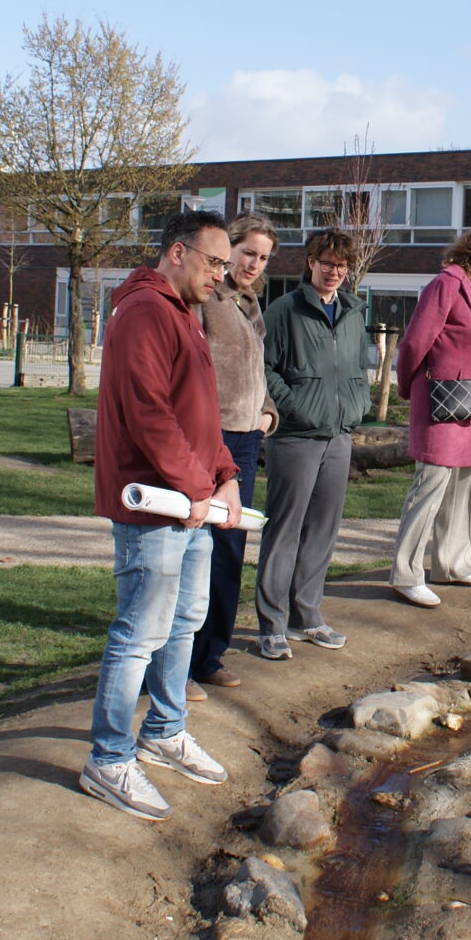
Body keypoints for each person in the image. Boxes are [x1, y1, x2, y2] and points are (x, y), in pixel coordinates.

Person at [79, 210, 242, 821]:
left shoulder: (182, 313)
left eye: (225, 265)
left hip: (191, 502)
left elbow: (200, 412)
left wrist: (224, 475)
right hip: (155, 503)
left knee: (184, 619)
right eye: (214, 262)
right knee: (139, 632)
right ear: (177, 252)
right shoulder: (146, 311)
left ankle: (165, 729)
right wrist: (198, 484)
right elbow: (148, 411)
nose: (221, 275)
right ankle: (109, 758)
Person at [255, 226, 371, 660]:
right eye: (327, 264)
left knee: (322, 531)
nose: (334, 272)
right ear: (311, 263)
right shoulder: (284, 310)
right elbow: (264, 368)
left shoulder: (353, 312)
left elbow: (358, 366)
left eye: (342, 266)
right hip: (295, 438)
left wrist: (358, 404)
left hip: (339, 437)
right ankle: (272, 625)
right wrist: (294, 407)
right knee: (284, 531)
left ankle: (307, 617)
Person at [389, 219, 471, 607]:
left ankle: (453, 563)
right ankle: (406, 574)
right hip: (440, 400)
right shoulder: (445, 285)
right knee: (430, 486)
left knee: (465, 484)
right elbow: (413, 344)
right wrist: (409, 388)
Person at [187, 213, 279, 695]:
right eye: (247, 253)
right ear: (229, 250)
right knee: (195, 550)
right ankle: (177, 664)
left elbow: (256, 371)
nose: (254, 264)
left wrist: (267, 412)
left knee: (229, 550)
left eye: (263, 258)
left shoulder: (250, 304)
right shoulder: (207, 299)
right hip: (210, 435)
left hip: (247, 438)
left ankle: (210, 656)